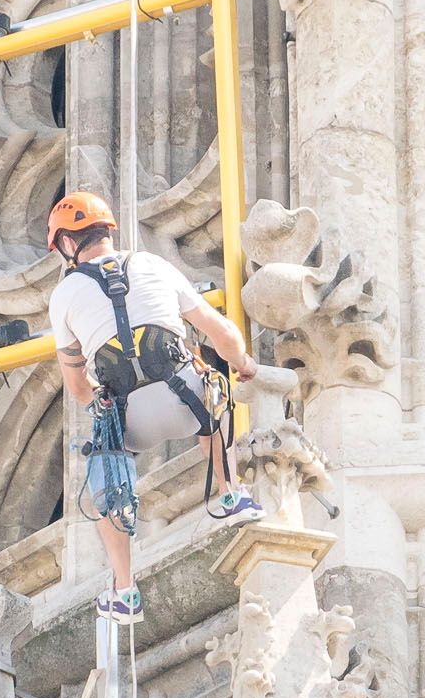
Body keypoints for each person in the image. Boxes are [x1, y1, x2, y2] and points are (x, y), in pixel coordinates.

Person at [42, 191, 261, 623]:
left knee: (105, 468)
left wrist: (100, 402)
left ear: (68, 244)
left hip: (132, 423)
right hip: (186, 403)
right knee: (212, 388)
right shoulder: (154, 266)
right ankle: (232, 495)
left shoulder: (65, 294)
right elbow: (221, 332)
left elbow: (77, 386)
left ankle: (125, 590)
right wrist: (244, 365)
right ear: (107, 231)